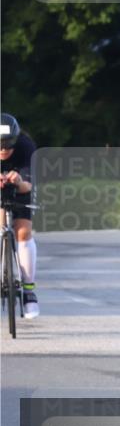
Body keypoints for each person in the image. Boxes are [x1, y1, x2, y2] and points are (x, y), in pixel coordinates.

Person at [0, 112, 40, 319]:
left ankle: (28, 290)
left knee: (23, 232)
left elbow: (28, 185)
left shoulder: (25, 146)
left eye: (8, 145)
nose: (4, 150)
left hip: (20, 189)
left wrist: (16, 181)